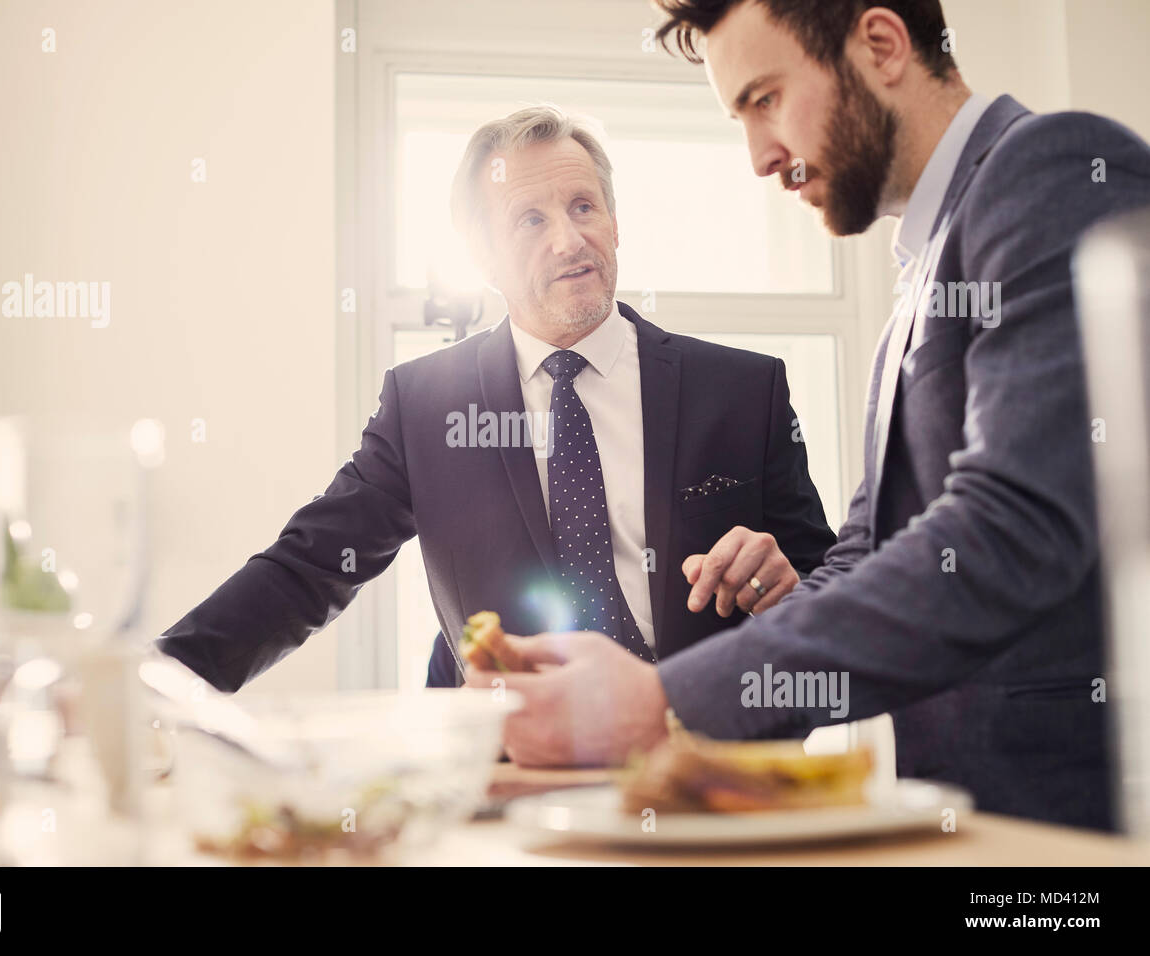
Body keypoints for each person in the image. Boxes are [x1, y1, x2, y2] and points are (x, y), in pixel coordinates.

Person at [470, 0, 1150, 831]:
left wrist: (662, 700)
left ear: (882, 45)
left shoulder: (1051, 169)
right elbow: (869, 550)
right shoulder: (922, 272)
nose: (759, 157)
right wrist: (638, 689)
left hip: (1087, 822)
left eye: (765, 99)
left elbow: (1009, 527)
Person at [156, 106, 835, 695]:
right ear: (481, 256)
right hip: (502, 774)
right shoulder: (424, 404)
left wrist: (794, 591)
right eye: (530, 220)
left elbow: (827, 586)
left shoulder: (745, 390)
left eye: (582, 207)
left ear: (616, 222)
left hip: (703, 765)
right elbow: (307, 569)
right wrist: (157, 685)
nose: (569, 240)